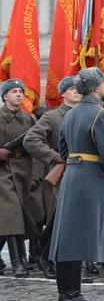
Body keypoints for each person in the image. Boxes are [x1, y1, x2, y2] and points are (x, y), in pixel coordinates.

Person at [49, 67, 104, 300]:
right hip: (91, 176)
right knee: (80, 236)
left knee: (68, 235)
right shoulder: (101, 115)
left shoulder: (69, 114)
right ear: (93, 87)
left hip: (71, 175)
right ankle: (73, 292)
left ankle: (67, 291)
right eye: (102, 82)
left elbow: (63, 150)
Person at [24, 76, 80, 280]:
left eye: (78, 89)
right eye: (71, 89)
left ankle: (42, 252)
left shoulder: (84, 114)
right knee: (62, 218)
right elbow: (31, 139)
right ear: (63, 93)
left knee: (66, 218)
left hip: (82, 171)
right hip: (63, 172)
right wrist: (53, 157)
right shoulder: (52, 117)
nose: (76, 92)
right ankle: (49, 258)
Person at [0, 79, 41, 278]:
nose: (18, 94)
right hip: (2, 173)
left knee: (18, 216)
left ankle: (29, 257)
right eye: (14, 91)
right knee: (13, 213)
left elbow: (38, 149)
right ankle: (19, 262)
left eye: (20, 91)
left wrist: (35, 176)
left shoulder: (29, 119)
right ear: (5, 96)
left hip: (24, 171)